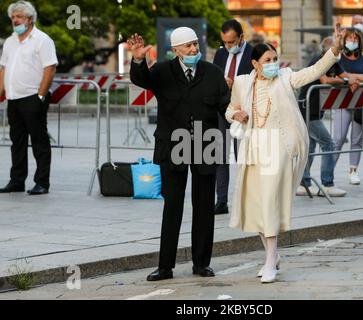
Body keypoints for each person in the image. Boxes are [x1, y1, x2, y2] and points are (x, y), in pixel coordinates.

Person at [225, 24, 345, 283]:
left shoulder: (286, 77)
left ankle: (270, 261)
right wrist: (236, 113)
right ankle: (273, 253)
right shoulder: (243, 83)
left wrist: (335, 50)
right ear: (255, 64)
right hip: (252, 148)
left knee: (269, 200)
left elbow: (313, 71)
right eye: (267, 60)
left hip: (279, 147)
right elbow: (229, 109)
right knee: (255, 204)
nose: (273, 64)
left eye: (275, 59)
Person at [128, 27, 230, 281]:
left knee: (204, 205)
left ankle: (201, 263)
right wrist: (139, 59)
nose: (194, 49)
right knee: (172, 204)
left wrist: (235, 115)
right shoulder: (163, 71)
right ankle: (165, 266)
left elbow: (225, 103)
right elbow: (141, 80)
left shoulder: (213, 73)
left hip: (205, 143)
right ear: (176, 50)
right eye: (187, 46)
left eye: (195, 44)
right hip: (172, 144)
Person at [0, 1, 58, 195]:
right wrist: (1, 92)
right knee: (17, 141)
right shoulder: (10, 41)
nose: (15, 20)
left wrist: (40, 95)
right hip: (14, 98)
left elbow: (50, 68)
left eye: (19, 16)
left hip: (33, 97)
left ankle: (42, 182)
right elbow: (4, 69)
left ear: (30, 19)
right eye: (13, 17)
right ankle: (17, 181)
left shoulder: (42, 40)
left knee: (39, 141)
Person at [296, 36, 360, 198]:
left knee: (310, 148)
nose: (340, 52)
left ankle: (303, 183)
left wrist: (352, 79)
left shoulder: (335, 60)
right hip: (307, 110)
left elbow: (345, 75)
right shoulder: (319, 59)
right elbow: (324, 80)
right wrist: (345, 81)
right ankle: (327, 183)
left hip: (316, 110)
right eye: (337, 48)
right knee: (328, 144)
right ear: (327, 49)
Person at [213, 19, 253, 215]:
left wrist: (234, 84)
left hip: (243, 113)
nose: (228, 46)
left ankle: (244, 201)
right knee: (220, 157)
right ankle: (221, 201)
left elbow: (258, 82)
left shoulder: (254, 53)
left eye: (231, 42)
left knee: (242, 157)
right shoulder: (220, 54)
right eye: (225, 42)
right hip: (222, 110)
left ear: (241, 38)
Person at [333, 28, 363, 185]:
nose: (352, 41)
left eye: (355, 38)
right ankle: (329, 171)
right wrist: (358, 77)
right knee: (338, 138)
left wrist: (350, 78)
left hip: (360, 104)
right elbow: (336, 75)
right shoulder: (339, 58)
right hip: (342, 103)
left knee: (356, 139)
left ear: (360, 41)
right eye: (349, 38)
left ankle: (353, 171)